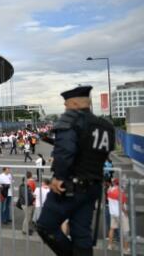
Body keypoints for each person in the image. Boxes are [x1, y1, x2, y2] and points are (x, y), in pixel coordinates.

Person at [37, 86, 115, 256]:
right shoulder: (105, 126)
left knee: (45, 225)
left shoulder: (71, 121)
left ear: (73, 103)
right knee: (82, 234)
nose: (65, 108)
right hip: (93, 187)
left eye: (66, 104)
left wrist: (58, 177)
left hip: (69, 187)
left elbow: (64, 152)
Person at [107, 178, 130, 253]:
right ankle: (126, 249)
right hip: (121, 214)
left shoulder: (109, 190)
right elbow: (122, 206)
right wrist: (126, 213)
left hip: (113, 213)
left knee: (112, 228)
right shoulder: (120, 193)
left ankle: (110, 245)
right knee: (125, 231)